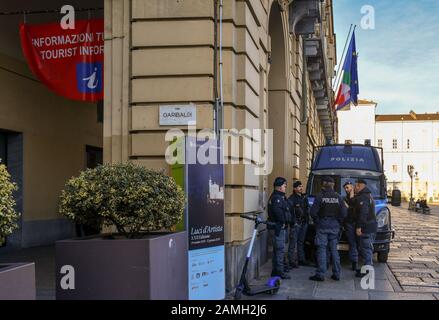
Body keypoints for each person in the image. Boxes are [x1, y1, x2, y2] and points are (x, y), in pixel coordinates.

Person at [309, 176, 347, 281]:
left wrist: (318, 221)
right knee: (334, 249)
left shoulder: (320, 196)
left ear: (323, 185)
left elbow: (312, 212)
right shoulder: (338, 197)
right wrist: (338, 222)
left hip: (322, 226)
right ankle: (337, 273)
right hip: (334, 226)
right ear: (333, 185)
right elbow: (344, 213)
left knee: (322, 249)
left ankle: (320, 274)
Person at [267, 177, 291, 279]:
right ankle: (279, 272)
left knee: (278, 250)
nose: (285, 188)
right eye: (284, 186)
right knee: (280, 250)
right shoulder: (276, 198)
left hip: (278, 227)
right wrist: (284, 222)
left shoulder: (279, 197)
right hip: (277, 228)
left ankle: (276, 270)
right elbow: (279, 214)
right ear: (280, 187)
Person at [353, 179, 377, 277]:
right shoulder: (369, 195)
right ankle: (366, 268)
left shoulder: (363, 197)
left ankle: (367, 271)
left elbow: (363, 213)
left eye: (355, 186)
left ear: (359, 186)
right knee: (366, 248)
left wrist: (359, 226)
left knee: (366, 249)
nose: (354, 188)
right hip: (371, 226)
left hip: (366, 227)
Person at [287, 180, 311, 268]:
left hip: (304, 223)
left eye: (301, 186)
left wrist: (307, 220)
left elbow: (307, 209)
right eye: (299, 187)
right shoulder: (291, 199)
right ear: (294, 188)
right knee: (293, 243)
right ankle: (291, 261)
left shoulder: (304, 197)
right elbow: (289, 212)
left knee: (301, 242)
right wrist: (293, 222)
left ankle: (301, 259)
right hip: (296, 224)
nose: (301, 188)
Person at [343, 181, 359, 271]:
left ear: (352, 187)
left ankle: (357, 260)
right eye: (345, 188)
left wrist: (349, 207)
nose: (346, 190)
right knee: (352, 243)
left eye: (348, 187)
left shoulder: (358, 197)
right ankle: (354, 262)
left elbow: (356, 210)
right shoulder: (345, 198)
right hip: (349, 223)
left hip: (357, 223)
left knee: (358, 243)